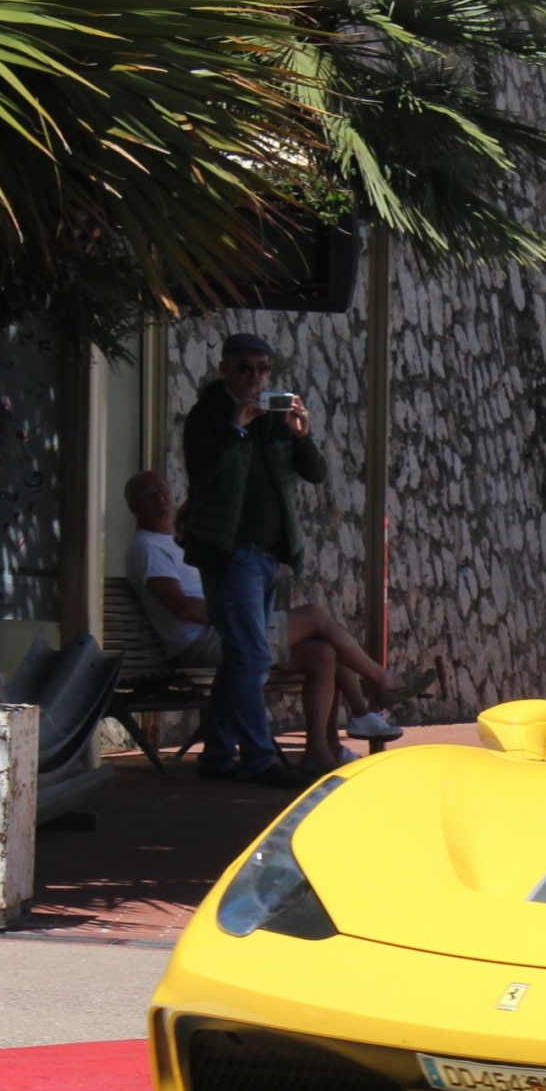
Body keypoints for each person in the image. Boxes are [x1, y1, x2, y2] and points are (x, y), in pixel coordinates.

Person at [124, 470, 435, 772]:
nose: (160, 498)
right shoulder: (147, 547)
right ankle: (378, 687)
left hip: (223, 629)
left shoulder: (173, 543)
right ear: (133, 506)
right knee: (315, 615)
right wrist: (236, 612)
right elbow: (182, 607)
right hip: (204, 640)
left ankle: (321, 750)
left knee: (322, 654)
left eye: (162, 489)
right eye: (149, 494)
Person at [179, 333, 326, 785]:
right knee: (252, 656)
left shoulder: (275, 420)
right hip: (228, 554)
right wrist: (236, 425)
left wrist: (302, 436)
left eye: (264, 368)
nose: (256, 377)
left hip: (267, 557)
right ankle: (259, 759)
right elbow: (203, 471)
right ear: (225, 368)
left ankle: (218, 756)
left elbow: (315, 473)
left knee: (241, 659)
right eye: (246, 367)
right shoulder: (208, 416)